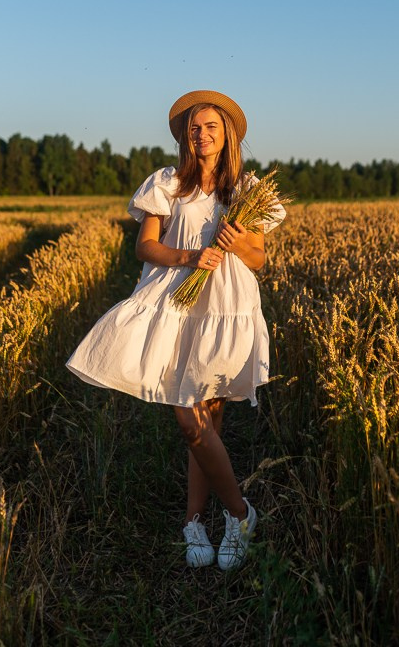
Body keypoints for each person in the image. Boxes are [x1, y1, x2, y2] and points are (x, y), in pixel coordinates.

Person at [66, 90, 286, 570]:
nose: (201, 135)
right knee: (190, 420)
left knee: (209, 423)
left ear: (227, 135)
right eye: (194, 128)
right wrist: (190, 256)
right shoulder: (167, 183)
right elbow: (145, 247)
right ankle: (240, 514)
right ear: (186, 137)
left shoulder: (247, 190)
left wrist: (237, 242)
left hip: (226, 306)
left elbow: (258, 259)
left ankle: (194, 521)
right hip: (175, 303)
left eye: (210, 127)